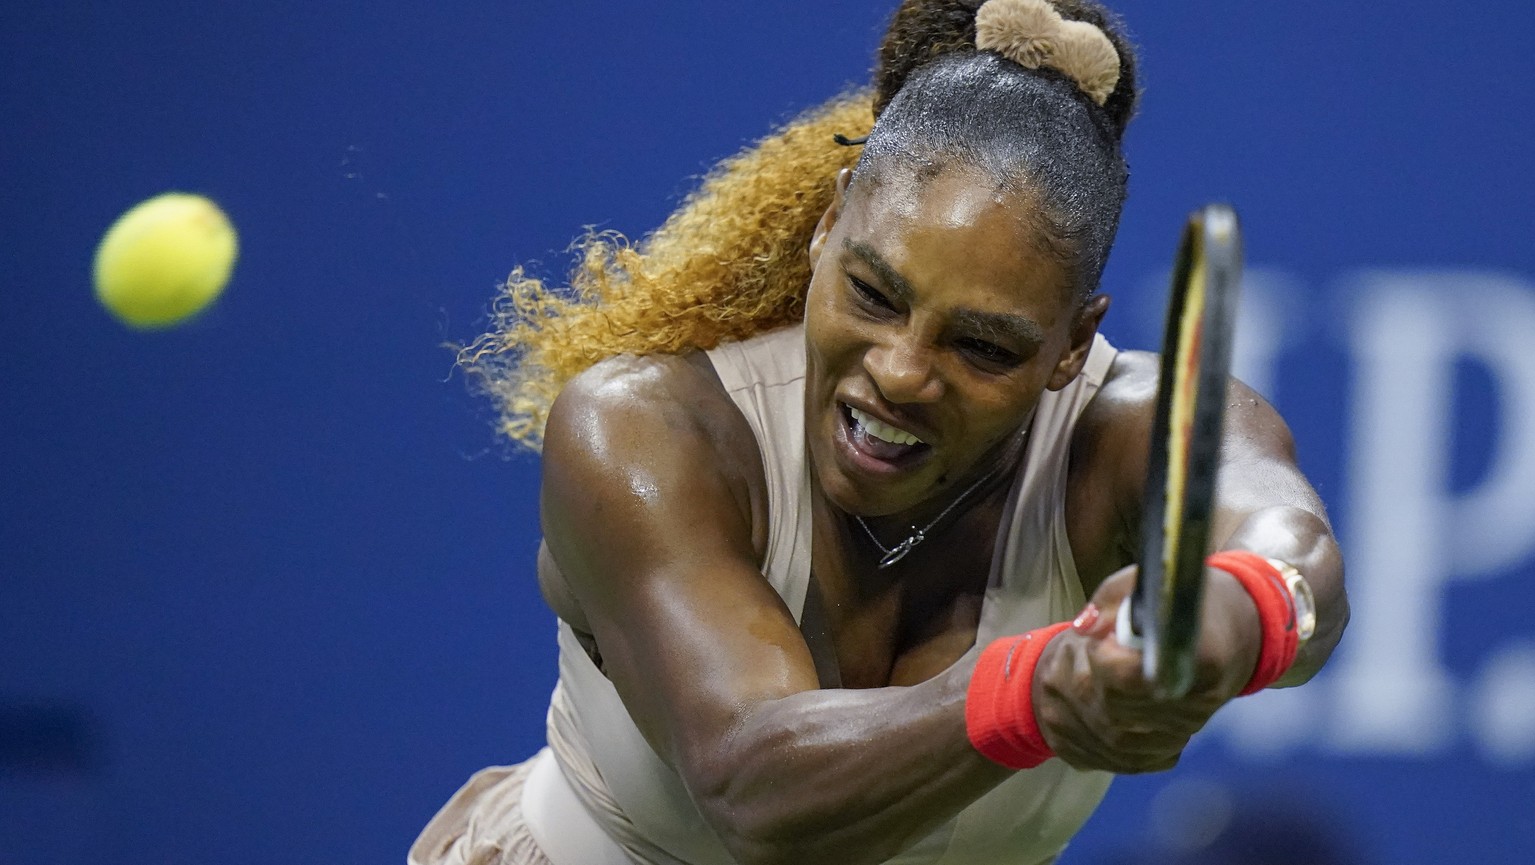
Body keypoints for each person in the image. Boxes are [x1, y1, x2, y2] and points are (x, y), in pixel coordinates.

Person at [412, 0, 1348, 863]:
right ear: (828, 227)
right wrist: (1034, 689)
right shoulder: (643, 430)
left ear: (1073, 344)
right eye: (872, 294)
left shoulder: (1129, 434)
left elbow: (1295, 550)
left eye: (983, 345)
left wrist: (1231, 611)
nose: (901, 371)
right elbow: (755, 785)